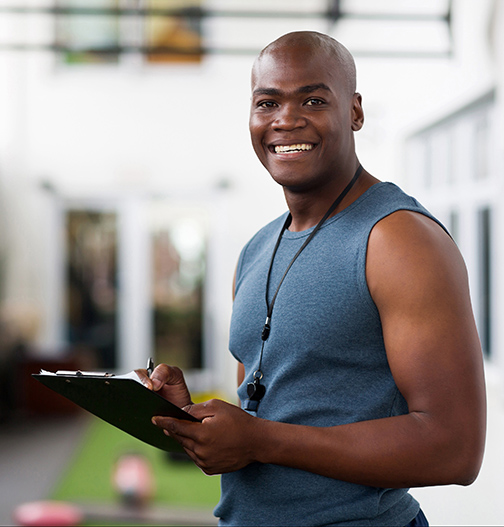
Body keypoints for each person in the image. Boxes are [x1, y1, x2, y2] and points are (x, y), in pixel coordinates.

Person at [138, 31, 486, 526]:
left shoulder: (399, 240)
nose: (286, 119)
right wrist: (188, 420)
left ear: (355, 112)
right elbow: (264, 417)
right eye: (267, 102)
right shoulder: (258, 248)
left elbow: (456, 449)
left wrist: (258, 439)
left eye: (314, 99)